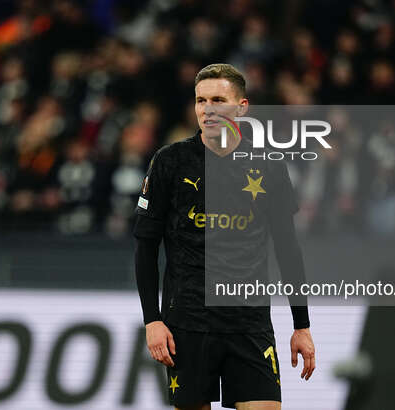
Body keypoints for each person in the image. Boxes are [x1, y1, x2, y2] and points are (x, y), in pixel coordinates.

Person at [133, 63, 315, 410]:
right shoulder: (170, 162)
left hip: (249, 324)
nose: (207, 109)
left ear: (241, 108)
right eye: (201, 100)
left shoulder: (268, 163)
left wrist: (301, 325)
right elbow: (145, 246)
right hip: (188, 323)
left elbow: (288, 249)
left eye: (218, 99)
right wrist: (152, 320)